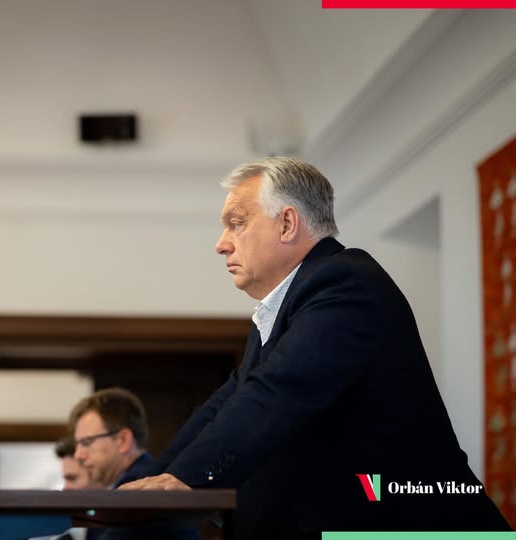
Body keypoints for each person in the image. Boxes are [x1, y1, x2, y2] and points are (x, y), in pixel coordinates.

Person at [119, 157, 511, 538]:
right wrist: (149, 484)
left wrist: (185, 480)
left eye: (236, 224)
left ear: (287, 223)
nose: (221, 244)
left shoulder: (346, 283)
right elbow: (224, 405)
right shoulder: (283, 311)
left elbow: (275, 393)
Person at [69, 387, 200, 540]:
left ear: (122, 440)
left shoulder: (145, 488)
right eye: (77, 444)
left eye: (86, 442)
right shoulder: (130, 482)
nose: (78, 455)